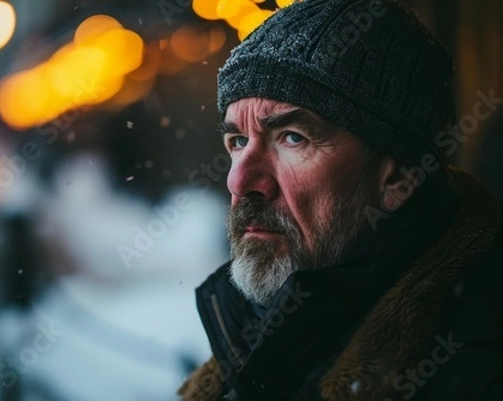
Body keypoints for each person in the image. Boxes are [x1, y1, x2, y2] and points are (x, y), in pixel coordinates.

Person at [178, 0, 503, 400]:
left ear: (399, 175)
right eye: (238, 142)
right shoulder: (247, 351)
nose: (239, 180)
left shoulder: (476, 371)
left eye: (292, 137)